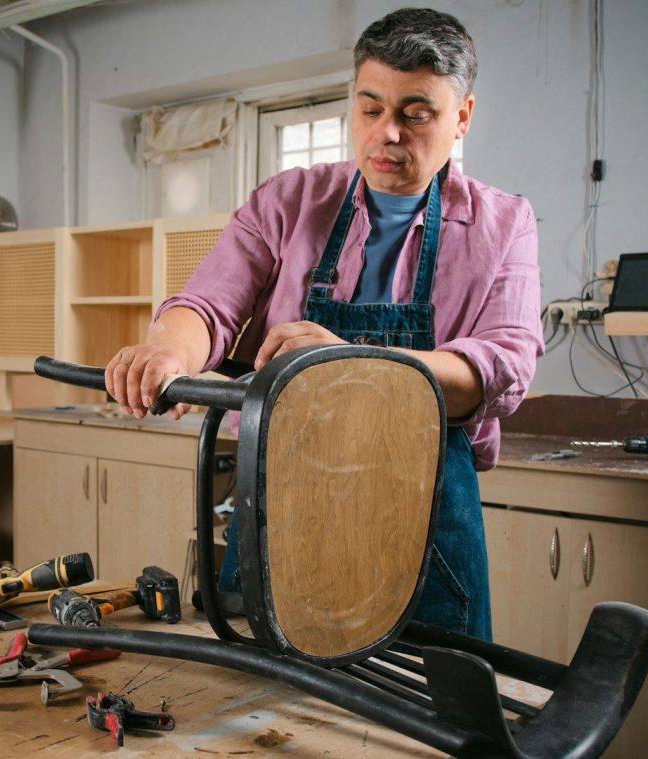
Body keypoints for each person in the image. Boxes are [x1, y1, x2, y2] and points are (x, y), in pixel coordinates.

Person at [104, 8, 542, 640]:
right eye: (370, 109)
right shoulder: (289, 200)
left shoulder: (505, 224)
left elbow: (503, 368)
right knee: (259, 686)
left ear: (462, 116)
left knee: (432, 687)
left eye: (416, 113)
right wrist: (168, 352)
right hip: (283, 489)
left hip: (425, 501)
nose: (388, 133)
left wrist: (355, 366)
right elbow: (207, 305)